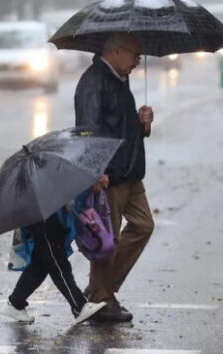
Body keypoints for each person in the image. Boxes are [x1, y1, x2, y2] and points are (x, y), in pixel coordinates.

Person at [74, 32, 154, 323]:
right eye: (135, 55)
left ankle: (100, 289)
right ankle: (101, 299)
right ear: (117, 51)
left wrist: (141, 122)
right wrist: (94, 170)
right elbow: (88, 130)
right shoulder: (94, 82)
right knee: (107, 239)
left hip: (130, 172)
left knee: (144, 226)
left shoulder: (120, 78)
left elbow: (118, 125)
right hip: (109, 175)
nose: (138, 61)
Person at [2, 181, 109, 325]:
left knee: (39, 267)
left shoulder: (43, 167)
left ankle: (15, 303)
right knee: (59, 264)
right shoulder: (37, 170)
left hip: (50, 215)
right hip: (43, 219)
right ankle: (79, 306)